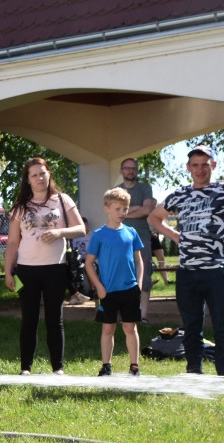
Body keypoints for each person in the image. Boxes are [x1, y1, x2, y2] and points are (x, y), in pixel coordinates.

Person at [148, 145, 224, 377]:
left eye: (205, 164)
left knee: (222, 325)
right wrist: (174, 235)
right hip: (186, 272)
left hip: (215, 270)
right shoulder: (180, 194)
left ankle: (223, 374)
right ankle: (194, 372)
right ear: (188, 168)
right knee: (192, 326)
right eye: (195, 165)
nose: (200, 169)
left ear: (213, 165)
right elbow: (154, 216)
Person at [3, 158, 86, 375]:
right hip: (26, 270)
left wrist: (60, 232)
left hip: (56, 268)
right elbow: (12, 242)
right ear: (27, 180)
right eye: (34, 175)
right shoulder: (20, 206)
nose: (40, 178)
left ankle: (58, 369)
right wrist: (8, 271)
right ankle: (25, 369)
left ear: (49, 175)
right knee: (28, 320)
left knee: (54, 319)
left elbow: (81, 229)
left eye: (43, 173)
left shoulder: (62, 200)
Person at [85, 188, 144, 377]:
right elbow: (88, 263)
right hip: (108, 291)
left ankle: (134, 366)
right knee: (108, 328)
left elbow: (139, 260)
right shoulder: (99, 234)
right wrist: (98, 286)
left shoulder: (132, 232)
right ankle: (106, 365)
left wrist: (139, 283)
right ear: (107, 209)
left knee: (130, 327)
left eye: (125, 209)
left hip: (130, 289)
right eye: (117, 209)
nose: (122, 213)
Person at [116, 158, 156, 322]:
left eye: (133, 168)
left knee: (144, 275)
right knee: (122, 275)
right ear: (121, 171)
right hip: (119, 238)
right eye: (127, 168)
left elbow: (147, 210)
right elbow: (114, 213)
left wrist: (124, 211)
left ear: (137, 171)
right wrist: (136, 208)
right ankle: (125, 314)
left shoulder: (145, 188)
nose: (130, 171)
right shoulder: (117, 191)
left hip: (142, 238)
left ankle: (143, 316)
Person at [68, 216, 93, 304]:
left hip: (89, 258)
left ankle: (91, 290)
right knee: (73, 269)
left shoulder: (92, 235)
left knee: (89, 267)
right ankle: (76, 291)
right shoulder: (75, 236)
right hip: (77, 259)